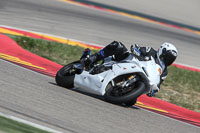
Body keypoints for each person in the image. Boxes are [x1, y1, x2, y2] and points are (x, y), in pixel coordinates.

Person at [80, 41, 178, 97]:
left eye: (171, 59)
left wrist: (153, 91)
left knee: (131, 101)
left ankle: (123, 90)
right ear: (162, 52)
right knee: (117, 45)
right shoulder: (151, 51)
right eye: (168, 57)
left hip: (140, 75)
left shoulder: (164, 72)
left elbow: (158, 85)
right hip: (127, 61)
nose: (168, 60)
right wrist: (138, 53)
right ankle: (93, 58)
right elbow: (136, 47)